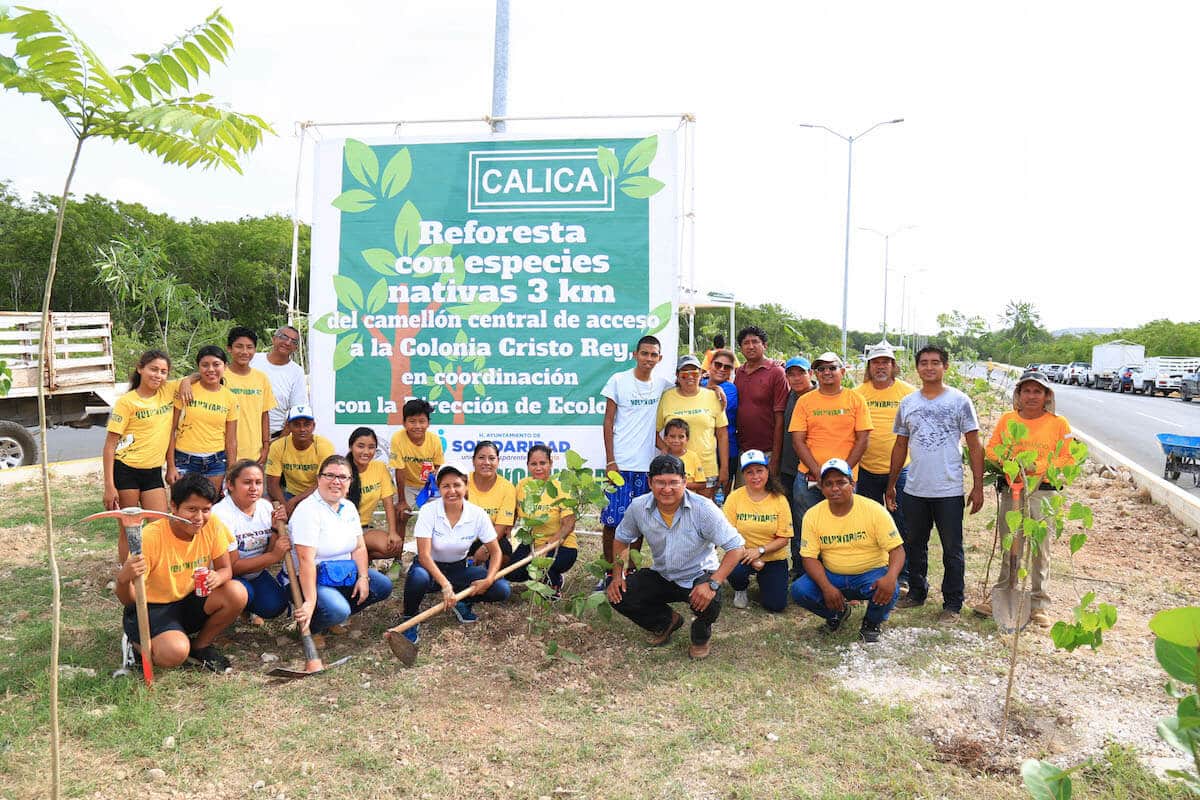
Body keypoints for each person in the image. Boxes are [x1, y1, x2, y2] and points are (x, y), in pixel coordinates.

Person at [607, 454, 745, 660]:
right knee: (619, 594)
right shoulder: (638, 507)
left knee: (712, 599)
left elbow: (736, 547)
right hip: (663, 574)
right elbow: (621, 538)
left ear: (685, 482)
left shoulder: (704, 508)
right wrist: (618, 575)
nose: (667, 489)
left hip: (698, 574)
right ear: (650, 482)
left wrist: (713, 583)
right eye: (660, 482)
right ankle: (666, 621)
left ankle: (700, 635)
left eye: (673, 482)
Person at [886, 346, 984, 623]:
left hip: (948, 489)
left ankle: (952, 603)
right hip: (915, 488)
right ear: (917, 367)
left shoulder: (960, 401)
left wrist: (978, 486)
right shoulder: (908, 403)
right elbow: (900, 445)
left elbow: (974, 445)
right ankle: (917, 592)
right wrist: (891, 484)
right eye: (924, 363)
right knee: (914, 543)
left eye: (935, 363)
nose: (929, 368)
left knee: (952, 549)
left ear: (945, 367)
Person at [115, 473, 246, 671]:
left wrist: (217, 577)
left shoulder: (212, 524)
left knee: (237, 592)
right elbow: (130, 599)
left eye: (206, 509)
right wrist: (123, 580)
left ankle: (200, 646)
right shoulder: (151, 537)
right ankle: (135, 643)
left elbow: (225, 569)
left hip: (189, 599)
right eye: (191, 509)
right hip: (152, 607)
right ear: (173, 507)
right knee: (174, 653)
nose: (199, 518)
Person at [975, 370, 1074, 627]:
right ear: (1018, 394)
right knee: (1011, 544)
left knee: (1040, 547)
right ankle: (1004, 593)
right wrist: (1011, 464)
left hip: (1044, 492)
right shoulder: (1008, 420)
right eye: (1026, 391)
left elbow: (1067, 457)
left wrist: (1037, 466)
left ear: (1047, 396)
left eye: (1037, 391)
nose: (1031, 396)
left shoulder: (1059, 424)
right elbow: (992, 450)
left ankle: (1039, 604)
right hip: (1013, 490)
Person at [789, 459, 904, 643]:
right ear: (822, 488)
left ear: (852, 484)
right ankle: (837, 613)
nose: (835, 488)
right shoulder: (813, 515)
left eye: (841, 482)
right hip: (833, 575)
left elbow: (897, 550)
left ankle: (871, 623)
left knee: (891, 588)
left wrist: (890, 578)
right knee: (799, 590)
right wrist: (827, 587)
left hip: (870, 574)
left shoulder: (874, 510)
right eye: (828, 484)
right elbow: (809, 558)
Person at [397, 465, 512, 643]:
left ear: (466, 486)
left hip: (458, 569)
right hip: (429, 568)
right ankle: (410, 618)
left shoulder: (477, 514)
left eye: (457, 485)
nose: (452, 491)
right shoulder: (429, 511)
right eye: (446, 486)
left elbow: (496, 552)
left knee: (501, 589)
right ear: (439, 488)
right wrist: (445, 585)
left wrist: (489, 579)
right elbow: (424, 555)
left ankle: (463, 601)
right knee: (418, 577)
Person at [290, 455, 393, 642]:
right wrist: (310, 601)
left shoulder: (349, 507)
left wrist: (363, 577)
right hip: (312, 578)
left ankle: (331, 617)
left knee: (381, 585)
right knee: (339, 610)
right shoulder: (307, 510)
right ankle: (314, 625)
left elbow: (359, 547)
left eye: (343, 477)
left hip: (343, 573)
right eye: (330, 475)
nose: (336, 481)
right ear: (319, 479)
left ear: (350, 482)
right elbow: (305, 560)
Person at [599, 335, 672, 588]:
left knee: (639, 523)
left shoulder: (663, 384)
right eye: (644, 353)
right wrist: (610, 461)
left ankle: (629, 573)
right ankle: (609, 573)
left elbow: (690, 386)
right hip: (620, 465)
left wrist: (716, 388)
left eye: (653, 355)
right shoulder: (618, 380)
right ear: (635, 355)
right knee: (612, 522)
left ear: (659, 358)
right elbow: (608, 421)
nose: (648, 359)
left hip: (647, 467)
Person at [788, 351, 874, 566]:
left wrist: (843, 473)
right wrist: (818, 471)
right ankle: (803, 572)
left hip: (845, 479)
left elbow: (863, 439)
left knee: (844, 526)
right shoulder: (805, 401)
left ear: (842, 372)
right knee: (806, 526)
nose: (826, 372)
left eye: (832, 368)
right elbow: (798, 440)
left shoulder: (855, 399)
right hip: (809, 477)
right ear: (816, 373)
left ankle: (842, 569)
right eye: (821, 368)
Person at [104, 349, 181, 561]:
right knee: (130, 529)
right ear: (140, 369)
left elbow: (193, 378)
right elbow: (110, 446)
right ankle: (127, 574)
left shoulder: (167, 392)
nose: (158, 375)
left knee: (160, 525)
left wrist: (171, 466)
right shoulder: (127, 402)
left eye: (163, 371)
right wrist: (109, 486)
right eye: (153, 369)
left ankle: (157, 571)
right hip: (126, 470)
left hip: (153, 471)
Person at [853, 343, 916, 592]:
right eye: (876, 362)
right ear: (869, 366)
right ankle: (873, 568)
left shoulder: (908, 393)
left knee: (901, 522)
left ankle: (902, 573)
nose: (881, 366)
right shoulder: (858, 394)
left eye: (886, 362)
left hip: (900, 470)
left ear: (893, 366)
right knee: (870, 522)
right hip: (866, 468)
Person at [212, 459, 290, 621]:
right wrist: (274, 557)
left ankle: (245, 606)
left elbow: (267, 551)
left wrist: (276, 530)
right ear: (230, 485)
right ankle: (226, 607)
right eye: (247, 482)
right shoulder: (220, 515)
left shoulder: (265, 507)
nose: (254, 488)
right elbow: (232, 567)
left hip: (254, 572)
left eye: (258, 482)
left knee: (275, 605)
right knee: (244, 592)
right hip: (225, 576)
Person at [722, 450, 792, 612]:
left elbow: (784, 538)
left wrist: (760, 551)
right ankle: (740, 588)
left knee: (776, 606)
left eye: (759, 471)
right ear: (743, 475)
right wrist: (751, 557)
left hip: (772, 556)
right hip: (743, 554)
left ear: (767, 471)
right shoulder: (734, 497)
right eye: (749, 472)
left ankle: (766, 580)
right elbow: (727, 535)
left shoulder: (780, 499)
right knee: (734, 571)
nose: (755, 477)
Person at [166, 345, 238, 495]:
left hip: (216, 462)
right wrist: (171, 466)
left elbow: (231, 440)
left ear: (225, 366)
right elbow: (171, 430)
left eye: (216, 364)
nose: (211, 369)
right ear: (198, 367)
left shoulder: (230, 398)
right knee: (184, 505)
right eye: (205, 365)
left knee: (210, 505)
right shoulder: (186, 390)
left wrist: (231, 472)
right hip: (184, 460)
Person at [508, 445, 578, 596]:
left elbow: (569, 525)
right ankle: (539, 576)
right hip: (531, 543)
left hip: (561, 546)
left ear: (551, 463)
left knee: (539, 566)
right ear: (527, 465)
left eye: (543, 463)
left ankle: (555, 581)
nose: (538, 468)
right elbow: (512, 515)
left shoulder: (561, 488)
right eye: (533, 464)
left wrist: (546, 547)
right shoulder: (522, 485)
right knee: (512, 573)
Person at [656, 355, 729, 499]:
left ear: (701, 374)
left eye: (695, 373)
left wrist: (724, 468)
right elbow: (654, 432)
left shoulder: (713, 396)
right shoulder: (667, 397)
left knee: (704, 511)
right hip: (675, 469)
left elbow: (722, 435)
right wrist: (666, 450)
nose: (690, 377)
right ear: (677, 376)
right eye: (684, 374)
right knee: (675, 511)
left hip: (706, 468)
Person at [732, 325, 789, 481]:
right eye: (746, 343)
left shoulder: (776, 372)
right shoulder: (739, 372)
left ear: (765, 345)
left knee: (768, 493)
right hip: (744, 450)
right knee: (744, 493)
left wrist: (775, 459)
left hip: (768, 452)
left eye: (755, 342)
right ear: (740, 348)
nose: (750, 346)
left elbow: (780, 417)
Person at [265, 405, 336, 515]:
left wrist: (294, 502)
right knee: (265, 502)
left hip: (317, 495)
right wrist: (285, 506)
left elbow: (324, 482)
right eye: (297, 425)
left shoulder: (324, 446)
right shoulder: (278, 446)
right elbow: (272, 484)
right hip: (289, 495)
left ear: (313, 426)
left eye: (306, 424)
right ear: (289, 426)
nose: (302, 429)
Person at [345, 427, 403, 562]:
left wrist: (393, 532)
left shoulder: (380, 467)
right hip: (343, 531)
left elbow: (388, 503)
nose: (366, 452)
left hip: (364, 530)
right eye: (360, 446)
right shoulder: (342, 469)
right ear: (351, 447)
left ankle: (361, 558)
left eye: (371, 447)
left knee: (394, 546)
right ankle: (355, 559)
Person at [224, 326, 276, 464]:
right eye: (239, 346)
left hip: (254, 454)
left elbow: (264, 414)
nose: (244, 352)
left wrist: (266, 446)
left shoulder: (261, 378)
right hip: (223, 453)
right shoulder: (220, 376)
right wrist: (188, 380)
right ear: (229, 348)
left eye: (249, 347)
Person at [779, 356, 813, 566]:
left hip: (811, 469)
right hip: (788, 467)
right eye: (791, 374)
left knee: (810, 518)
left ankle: (815, 563)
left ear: (810, 374)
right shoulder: (789, 396)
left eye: (801, 373)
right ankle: (799, 564)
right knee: (793, 517)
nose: (797, 378)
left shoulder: (818, 396)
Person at [389, 398, 444, 520]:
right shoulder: (397, 439)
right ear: (404, 423)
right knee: (401, 514)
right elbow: (399, 470)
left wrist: (434, 477)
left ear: (428, 423)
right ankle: (399, 534)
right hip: (407, 485)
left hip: (428, 485)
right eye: (412, 421)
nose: (417, 426)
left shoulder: (435, 440)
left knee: (438, 517)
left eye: (422, 421)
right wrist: (402, 501)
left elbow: (438, 466)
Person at [251, 325, 308, 439]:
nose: (287, 342)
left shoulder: (296, 372)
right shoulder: (253, 360)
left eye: (293, 341)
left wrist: (280, 442)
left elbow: (296, 410)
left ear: (296, 348)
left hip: (274, 437)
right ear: (274, 339)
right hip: (242, 435)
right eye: (284, 337)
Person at [467, 441, 517, 568]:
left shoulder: (507, 488)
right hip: (464, 537)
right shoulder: (462, 482)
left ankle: (491, 574)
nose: (486, 462)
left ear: (498, 461)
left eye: (491, 458)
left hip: (492, 537)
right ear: (473, 461)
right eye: (481, 458)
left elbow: (501, 527)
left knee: (504, 549)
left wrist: (485, 548)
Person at [701, 347, 739, 495]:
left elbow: (713, 404)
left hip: (726, 452)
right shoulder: (701, 383)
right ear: (710, 365)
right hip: (703, 451)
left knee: (721, 498)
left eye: (727, 367)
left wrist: (714, 388)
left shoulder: (730, 389)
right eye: (718, 364)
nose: (722, 369)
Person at [661, 418, 706, 492]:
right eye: (672, 436)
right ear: (665, 439)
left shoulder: (693, 457)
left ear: (687, 439)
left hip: (687, 498)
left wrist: (680, 484)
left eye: (681, 437)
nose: (676, 440)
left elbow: (702, 484)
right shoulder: (662, 458)